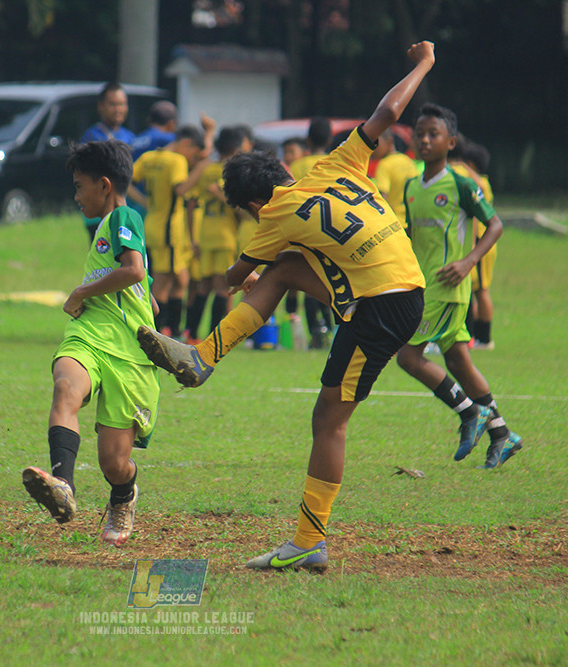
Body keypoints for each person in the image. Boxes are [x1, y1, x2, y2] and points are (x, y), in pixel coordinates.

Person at [136, 42, 436, 572]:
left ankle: (308, 542)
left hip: (381, 306)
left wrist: (241, 275)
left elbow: (232, 275)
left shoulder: (273, 214)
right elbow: (388, 113)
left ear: (253, 204)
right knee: (286, 271)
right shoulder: (333, 164)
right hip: (401, 285)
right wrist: (423, 63)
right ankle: (202, 358)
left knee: (329, 421)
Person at [21, 140, 159, 547]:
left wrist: (80, 293)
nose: (76, 196)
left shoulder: (124, 215)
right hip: (90, 336)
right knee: (65, 386)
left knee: (114, 464)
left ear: (104, 184)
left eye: (80, 186)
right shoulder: (111, 226)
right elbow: (141, 281)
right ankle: (62, 483)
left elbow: (133, 271)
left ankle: (124, 493)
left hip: (128, 355)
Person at [396, 104, 522, 469]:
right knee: (458, 361)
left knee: (408, 356)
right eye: (419, 133)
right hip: (422, 284)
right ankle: (502, 435)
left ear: (450, 142)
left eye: (433, 134)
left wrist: (468, 263)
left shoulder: (462, 185)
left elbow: (495, 225)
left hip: (447, 286)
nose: (424, 140)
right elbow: (413, 235)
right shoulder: (411, 187)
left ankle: (469, 413)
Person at [129, 123, 213, 338]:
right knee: (163, 282)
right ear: (185, 144)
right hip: (168, 230)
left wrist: (144, 201)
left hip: (152, 225)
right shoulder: (176, 161)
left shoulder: (149, 158)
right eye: (194, 154)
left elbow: (127, 180)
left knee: (180, 280)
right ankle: (157, 333)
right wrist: (201, 168)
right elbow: (181, 189)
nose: (193, 159)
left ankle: (171, 330)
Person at [183, 127, 254, 341]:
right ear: (234, 149)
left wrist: (191, 236)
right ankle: (213, 338)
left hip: (205, 234)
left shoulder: (206, 171)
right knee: (222, 287)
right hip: (225, 237)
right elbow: (242, 212)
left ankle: (192, 333)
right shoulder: (232, 172)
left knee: (204, 285)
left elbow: (190, 203)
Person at [287, 117, 336, 349]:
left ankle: (315, 331)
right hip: (332, 229)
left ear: (307, 140)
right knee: (330, 280)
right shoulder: (334, 162)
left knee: (308, 280)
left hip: (304, 229)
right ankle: (332, 328)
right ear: (329, 139)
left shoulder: (297, 165)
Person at [449, 138, 498, 349]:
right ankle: (476, 337)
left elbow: (476, 186)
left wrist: (461, 167)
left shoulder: (481, 183)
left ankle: (484, 338)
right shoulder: (478, 179)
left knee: (482, 291)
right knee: (474, 290)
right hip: (476, 241)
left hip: (482, 242)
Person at [80, 82, 137, 240]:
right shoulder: (93, 137)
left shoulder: (130, 137)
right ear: (101, 106)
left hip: (124, 213)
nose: (118, 109)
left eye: (122, 104)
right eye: (113, 104)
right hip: (100, 214)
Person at [374, 129, 420, 223]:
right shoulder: (408, 160)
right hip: (413, 221)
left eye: (376, 142)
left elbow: (382, 201)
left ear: (389, 141)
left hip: (396, 223)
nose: (373, 148)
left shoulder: (384, 165)